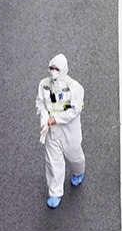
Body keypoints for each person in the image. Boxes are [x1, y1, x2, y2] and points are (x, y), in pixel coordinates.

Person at [35, 53, 85, 209]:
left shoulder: (74, 88)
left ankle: (79, 171)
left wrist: (56, 118)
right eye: (51, 68)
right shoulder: (44, 85)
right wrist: (45, 120)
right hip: (52, 131)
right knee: (53, 162)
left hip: (69, 131)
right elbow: (40, 104)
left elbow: (75, 110)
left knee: (74, 155)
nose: (53, 71)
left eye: (56, 69)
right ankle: (55, 191)